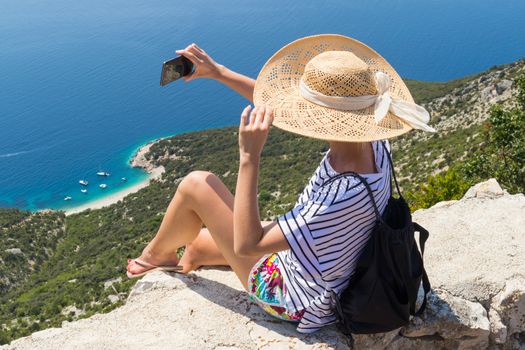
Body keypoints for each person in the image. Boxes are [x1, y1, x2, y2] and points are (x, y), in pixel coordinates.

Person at [126, 34, 435, 333]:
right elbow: (278, 109)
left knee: (198, 184)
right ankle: (186, 260)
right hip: (328, 261)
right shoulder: (375, 141)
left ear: (322, 117)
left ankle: (156, 256)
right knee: (197, 243)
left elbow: (248, 246)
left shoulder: (339, 196)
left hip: (297, 297)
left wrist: (250, 157)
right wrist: (219, 72)